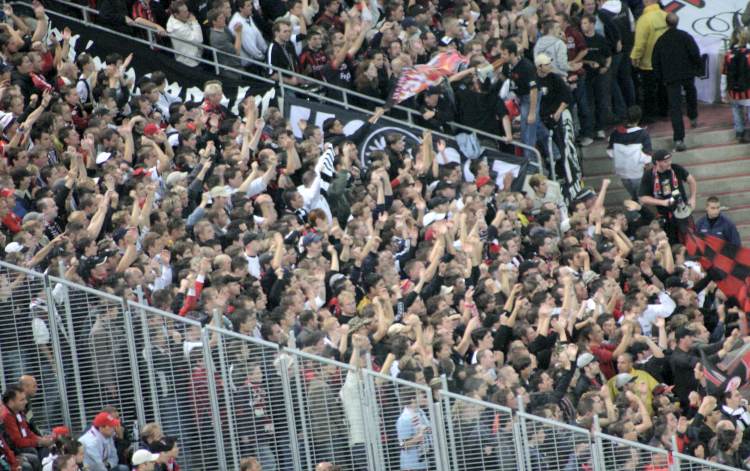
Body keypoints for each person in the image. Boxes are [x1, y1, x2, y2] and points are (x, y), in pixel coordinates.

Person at [652, 13, 701, 152]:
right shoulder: (685, 36)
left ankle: (679, 139)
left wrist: (660, 78)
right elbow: (695, 53)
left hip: (670, 77)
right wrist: (697, 69)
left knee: (675, 107)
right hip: (687, 74)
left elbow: (655, 61)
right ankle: (693, 116)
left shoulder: (661, 40)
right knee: (691, 92)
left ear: (666, 23)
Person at [638, 149, 697, 244]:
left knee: (690, 237)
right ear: (657, 162)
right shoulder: (649, 175)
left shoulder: (676, 168)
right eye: (665, 161)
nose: (669, 163)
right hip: (665, 214)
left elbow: (691, 180)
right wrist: (662, 202)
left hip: (682, 210)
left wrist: (693, 198)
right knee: (672, 240)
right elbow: (642, 198)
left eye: (670, 160)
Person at [500, 39, 539, 160]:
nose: (502, 56)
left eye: (504, 54)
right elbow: (503, 78)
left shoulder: (527, 66)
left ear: (512, 54)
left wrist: (532, 113)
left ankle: (530, 163)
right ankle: (555, 152)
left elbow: (534, 90)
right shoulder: (506, 65)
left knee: (527, 130)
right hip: (519, 96)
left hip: (530, 96)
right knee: (540, 128)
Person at [630, 0, 667, 123]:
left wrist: (635, 57)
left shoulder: (643, 20)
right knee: (663, 86)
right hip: (664, 60)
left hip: (648, 61)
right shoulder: (665, 15)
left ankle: (650, 114)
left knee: (649, 89)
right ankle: (664, 110)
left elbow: (640, 43)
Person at [607, 105, 652, 199]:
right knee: (641, 198)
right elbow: (647, 156)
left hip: (622, 172)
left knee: (635, 197)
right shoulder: (643, 134)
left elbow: (610, 152)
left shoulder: (615, 133)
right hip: (637, 172)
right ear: (639, 118)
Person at [580, 13, 612, 140]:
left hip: (599, 74)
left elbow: (608, 56)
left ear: (592, 24)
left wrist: (606, 67)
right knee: (588, 103)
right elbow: (576, 58)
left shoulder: (600, 39)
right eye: (582, 23)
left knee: (601, 101)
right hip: (585, 74)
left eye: (585, 23)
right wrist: (588, 63)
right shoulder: (581, 40)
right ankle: (589, 130)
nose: (583, 26)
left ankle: (600, 128)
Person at [722, 28, 750, 143]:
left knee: (736, 110)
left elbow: (724, 74)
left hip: (733, 90)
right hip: (748, 90)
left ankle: (739, 132)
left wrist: (723, 92)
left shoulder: (728, 55)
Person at [166, 1, 204, 68]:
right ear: (176, 15)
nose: (188, 13)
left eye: (187, 10)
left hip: (196, 57)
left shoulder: (180, 18)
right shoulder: (177, 28)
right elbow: (198, 39)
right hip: (189, 62)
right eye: (184, 12)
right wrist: (195, 22)